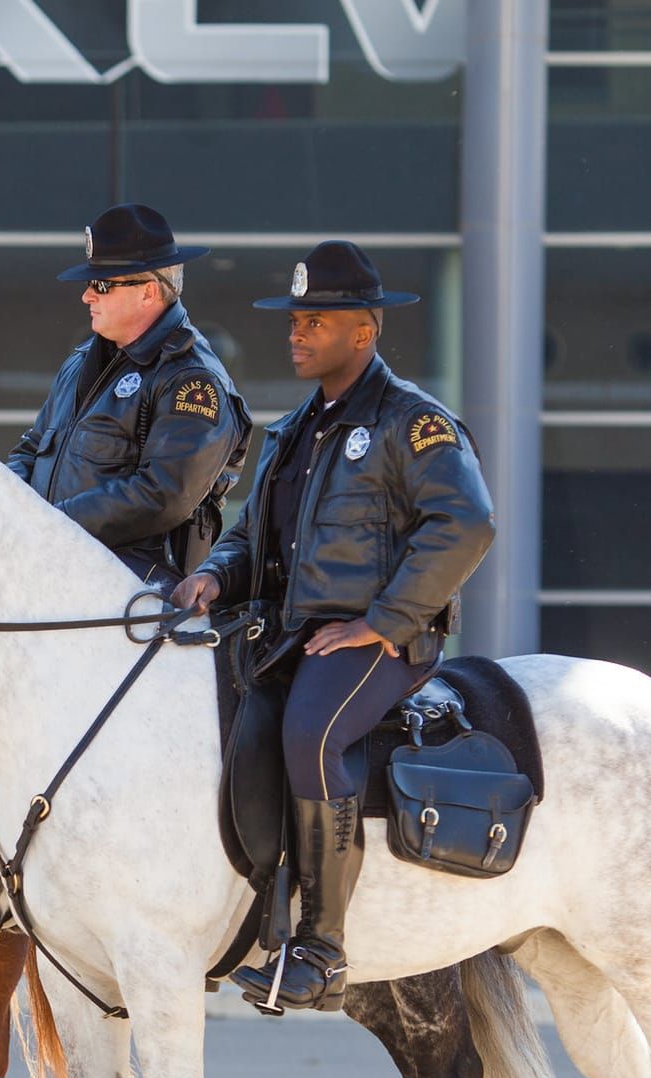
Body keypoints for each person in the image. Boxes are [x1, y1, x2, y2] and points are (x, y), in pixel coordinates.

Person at [171, 240, 495, 1013]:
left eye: (316, 319)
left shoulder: (413, 425)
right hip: (289, 633)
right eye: (295, 318)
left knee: (311, 732)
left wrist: (385, 621)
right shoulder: (291, 433)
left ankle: (321, 947)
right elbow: (254, 533)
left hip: (380, 641)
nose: (298, 331)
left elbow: (467, 524)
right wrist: (217, 572)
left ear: (365, 329)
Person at [8, 203, 251, 587]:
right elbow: (30, 450)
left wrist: (50, 525)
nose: (87, 296)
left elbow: (163, 495)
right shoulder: (83, 360)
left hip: (128, 598)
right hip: (47, 572)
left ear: (149, 292)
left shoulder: (192, 380)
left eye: (102, 285)